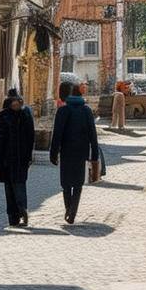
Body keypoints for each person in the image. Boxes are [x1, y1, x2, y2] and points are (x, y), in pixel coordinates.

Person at [49, 83, 99, 224]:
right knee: (78, 183)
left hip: (66, 151)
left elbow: (57, 134)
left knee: (66, 183)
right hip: (81, 152)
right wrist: (94, 155)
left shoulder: (63, 111)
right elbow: (93, 134)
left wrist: (53, 153)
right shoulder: (86, 111)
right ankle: (72, 212)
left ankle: (68, 208)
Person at [0, 89, 35, 230]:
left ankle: (13, 218)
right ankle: (22, 208)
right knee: (20, 184)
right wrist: (29, 157)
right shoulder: (26, 114)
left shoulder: (1, 116)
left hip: (6, 160)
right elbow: (31, 138)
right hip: (22, 159)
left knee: (9, 188)